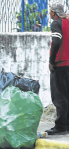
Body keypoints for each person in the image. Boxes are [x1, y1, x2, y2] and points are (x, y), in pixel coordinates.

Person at [45, 2, 69, 135]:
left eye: (50, 11)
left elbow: (57, 41)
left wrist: (51, 61)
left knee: (59, 97)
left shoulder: (56, 23)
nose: (49, 13)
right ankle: (66, 125)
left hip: (60, 65)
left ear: (54, 12)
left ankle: (60, 126)